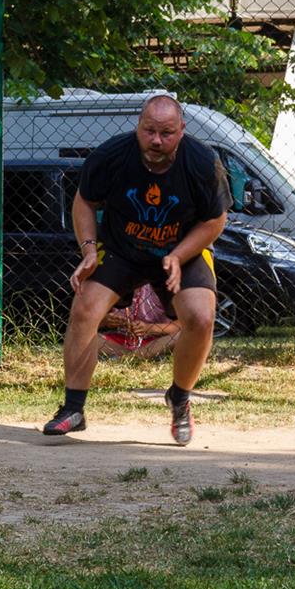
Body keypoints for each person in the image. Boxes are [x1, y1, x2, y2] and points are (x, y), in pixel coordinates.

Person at [44, 94, 228, 444]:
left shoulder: (202, 161)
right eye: (149, 131)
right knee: (85, 308)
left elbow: (215, 221)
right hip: (121, 249)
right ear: (138, 127)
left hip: (182, 251)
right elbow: (84, 201)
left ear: (182, 130)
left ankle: (179, 398)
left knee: (201, 317)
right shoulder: (111, 155)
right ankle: (73, 409)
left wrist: (178, 255)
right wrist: (88, 249)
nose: (156, 140)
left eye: (166, 133)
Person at [98, 279, 180, 361]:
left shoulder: (160, 285)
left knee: (180, 335)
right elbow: (94, 320)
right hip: (117, 339)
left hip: (154, 341)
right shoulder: (113, 284)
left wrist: (150, 328)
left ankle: (126, 357)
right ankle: (131, 356)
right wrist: (105, 321)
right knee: (92, 336)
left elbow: (181, 324)